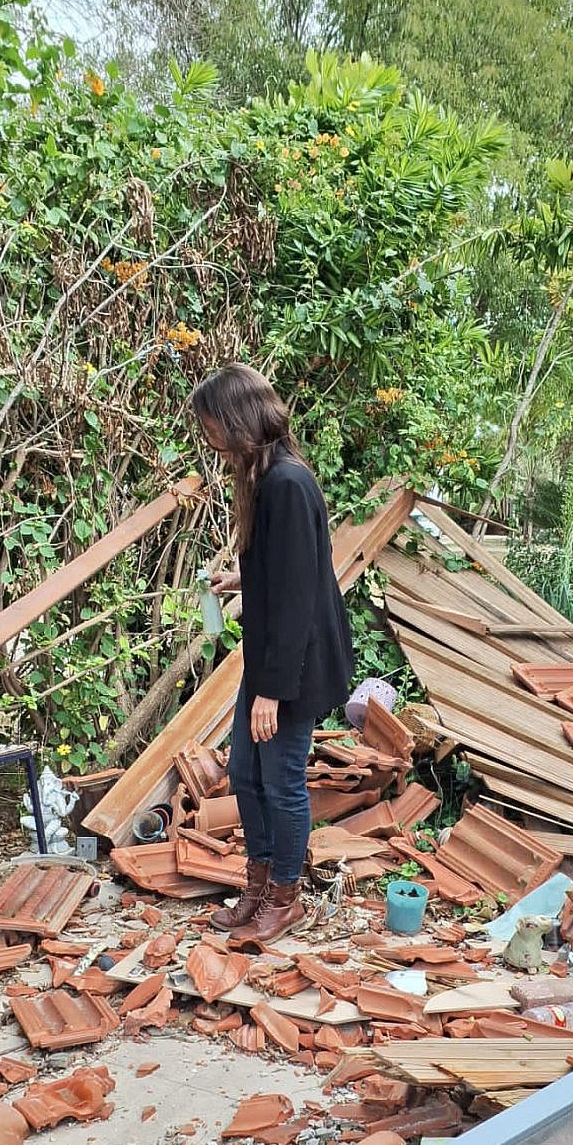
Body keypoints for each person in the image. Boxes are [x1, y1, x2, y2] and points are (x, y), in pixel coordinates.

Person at [191, 364, 353, 942]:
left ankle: (285, 898)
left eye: (212, 425)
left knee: (281, 781)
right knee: (244, 772)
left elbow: (297, 600)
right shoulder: (268, 478)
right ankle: (258, 888)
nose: (210, 438)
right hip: (271, 660)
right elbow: (289, 571)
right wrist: (245, 578)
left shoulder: (286, 483)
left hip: (292, 666)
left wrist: (272, 693)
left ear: (238, 419)